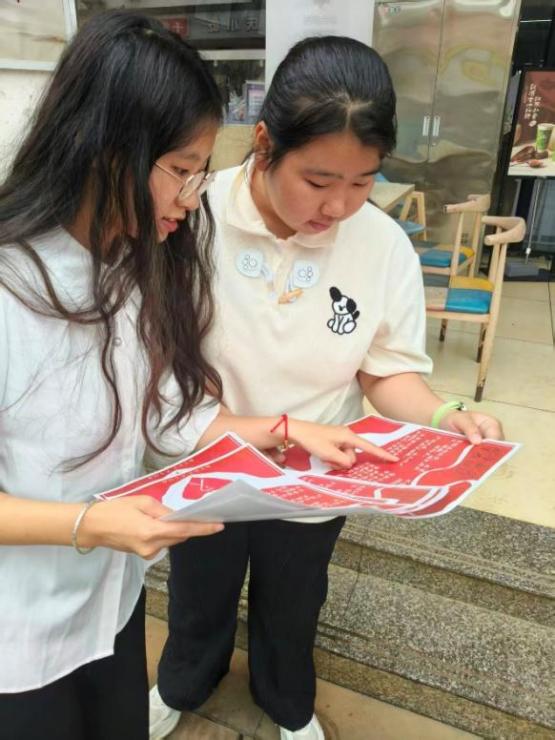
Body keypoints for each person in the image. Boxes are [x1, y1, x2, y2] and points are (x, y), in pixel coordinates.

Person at [0, 17, 393, 740]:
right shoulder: (12, 286)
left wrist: (287, 430)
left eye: (201, 171)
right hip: (17, 637)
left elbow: (167, 413)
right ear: (103, 150)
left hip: (109, 604)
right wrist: (87, 523)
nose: (192, 197)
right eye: (181, 170)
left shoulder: (127, 268)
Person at [151, 36, 504, 740]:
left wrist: (445, 414)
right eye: (316, 181)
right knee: (198, 591)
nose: (339, 205)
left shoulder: (381, 246)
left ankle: (287, 703)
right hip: (209, 456)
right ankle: (183, 684)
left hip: (316, 470)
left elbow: (385, 370)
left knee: (294, 600)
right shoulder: (192, 217)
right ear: (263, 144)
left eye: (362, 181)